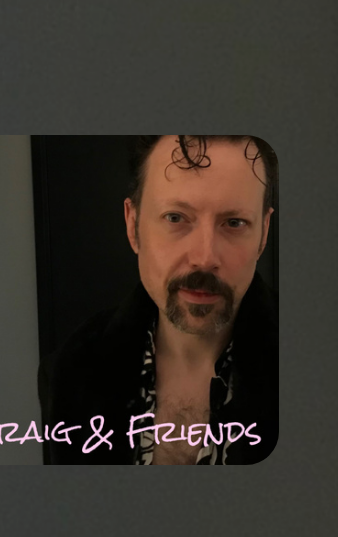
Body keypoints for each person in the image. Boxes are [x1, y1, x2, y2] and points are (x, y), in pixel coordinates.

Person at [39, 135, 279, 464]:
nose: (204, 258)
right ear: (133, 225)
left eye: (234, 223)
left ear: (263, 233)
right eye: (176, 218)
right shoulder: (68, 374)